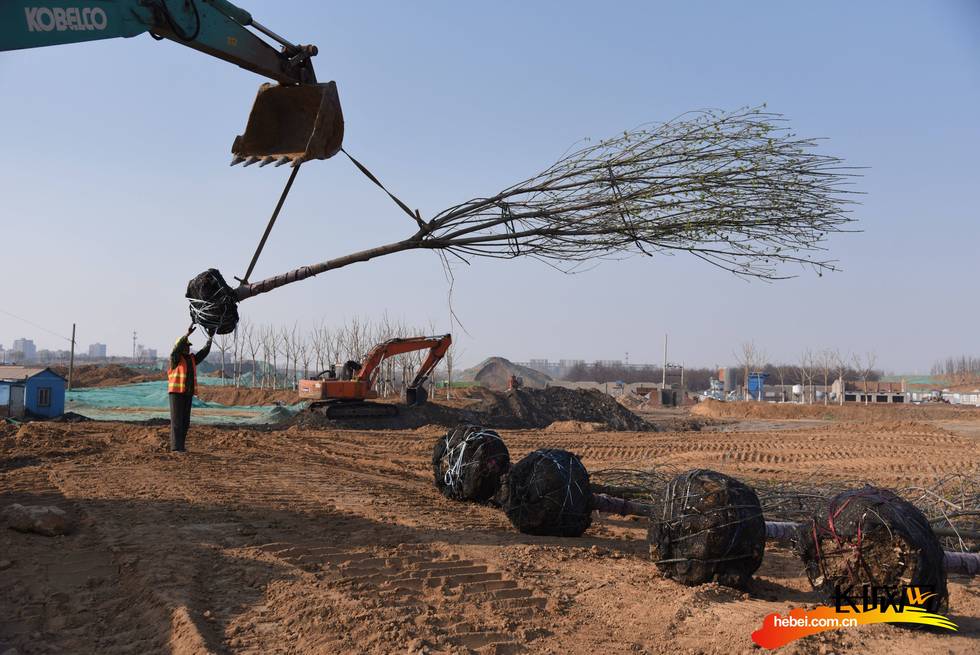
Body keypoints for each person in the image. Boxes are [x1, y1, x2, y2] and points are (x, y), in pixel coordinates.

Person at [167, 324, 212, 453]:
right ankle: (175, 448)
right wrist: (187, 335)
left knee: (185, 422)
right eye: (186, 346)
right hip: (176, 394)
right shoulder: (175, 359)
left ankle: (181, 446)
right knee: (176, 422)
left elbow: (204, 353)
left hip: (187, 393)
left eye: (188, 346)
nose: (188, 348)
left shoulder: (191, 359)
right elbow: (175, 349)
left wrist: (210, 338)